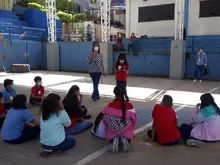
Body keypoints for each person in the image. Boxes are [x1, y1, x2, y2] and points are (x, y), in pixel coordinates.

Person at [103, 85, 136, 153]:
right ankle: (123, 137)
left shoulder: (110, 105)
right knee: (131, 120)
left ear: (114, 93)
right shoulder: (130, 106)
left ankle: (116, 137)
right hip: (128, 137)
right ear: (125, 93)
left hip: (111, 136)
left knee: (106, 118)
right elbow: (134, 121)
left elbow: (105, 121)